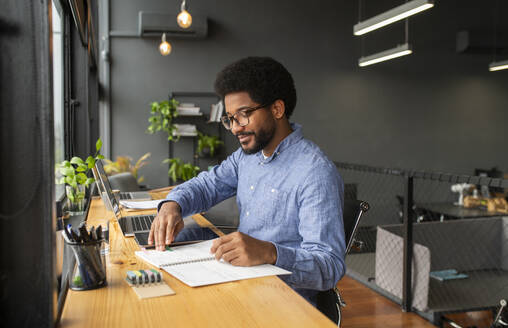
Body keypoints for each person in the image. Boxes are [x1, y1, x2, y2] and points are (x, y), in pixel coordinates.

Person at [149, 56, 345, 306]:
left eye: (243, 115)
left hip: (283, 304)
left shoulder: (315, 172)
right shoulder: (247, 158)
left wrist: (270, 253)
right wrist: (172, 205)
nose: (235, 128)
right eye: (230, 118)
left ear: (277, 109)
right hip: (241, 283)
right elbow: (207, 185)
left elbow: (330, 267)